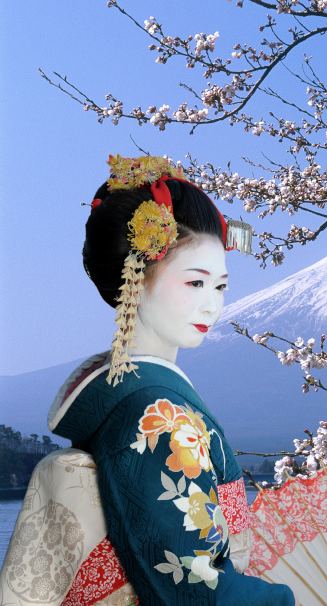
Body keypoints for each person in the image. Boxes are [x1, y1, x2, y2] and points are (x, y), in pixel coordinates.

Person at [0, 155, 295, 605]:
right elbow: (196, 589)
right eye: (195, 283)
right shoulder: (159, 417)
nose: (212, 306)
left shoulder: (127, 401)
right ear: (135, 280)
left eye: (220, 287)